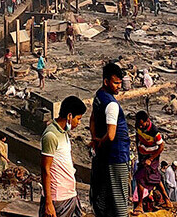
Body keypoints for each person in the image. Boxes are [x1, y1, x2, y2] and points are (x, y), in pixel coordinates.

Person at [89, 62, 131, 217]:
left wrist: (94, 138)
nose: (119, 86)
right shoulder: (112, 105)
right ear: (106, 81)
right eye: (115, 83)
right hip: (117, 156)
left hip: (104, 155)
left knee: (103, 196)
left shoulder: (98, 96)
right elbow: (112, 135)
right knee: (120, 200)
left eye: (120, 83)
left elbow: (92, 119)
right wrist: (100, 141)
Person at [41, 96, 87, 217]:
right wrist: (48, 203)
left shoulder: (63, 133)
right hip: (58, 199)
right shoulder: (51, 135)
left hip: (69, 195)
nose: (79, 123)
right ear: (69, 116)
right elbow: (45, 169)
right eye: (78, 119)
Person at [134, 111, 167, 209]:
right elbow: (138, 138)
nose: (140, 126)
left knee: (141, 178)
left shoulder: (154, 130)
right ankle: (167, 200)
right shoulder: (138, 126)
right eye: (139, 124)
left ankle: (140, 204)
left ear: (147, 121)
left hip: (152, 157)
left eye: (142, 124)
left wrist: (151, 159)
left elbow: (161, 146)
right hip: (143, 156)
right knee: (154, 178)